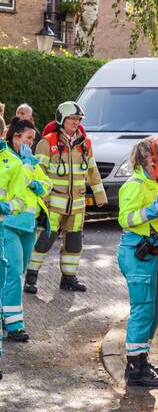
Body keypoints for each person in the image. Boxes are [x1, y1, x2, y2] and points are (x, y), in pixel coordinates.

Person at [26, 101, 107, 294]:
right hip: (53, 203)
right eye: (72, 119)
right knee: (43, 242)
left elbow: (93, 171)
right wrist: (43, 200)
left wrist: (100, 195)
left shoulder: (85, 144)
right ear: (62, 119)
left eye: (78, 119)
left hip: (77, 205)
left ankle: (68, 278)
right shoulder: (47, 142)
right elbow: (39, 173)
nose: (76, 122)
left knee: (74, 243)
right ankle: (31, 277)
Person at [116, 139, 158, 388]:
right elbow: (124, 218)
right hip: (137, 252)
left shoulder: (155, 183)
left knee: (154, 310)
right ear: (143, 161)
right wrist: (149, 212)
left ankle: (142, 359)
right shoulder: (135, 185)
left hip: (152, 252)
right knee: (142, 309)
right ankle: (134, 369)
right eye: (154, 162)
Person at [1, 119, 50, 343]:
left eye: (33, 138)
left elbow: (46, 183)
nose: (32, 142)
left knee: (16, 273)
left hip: (28, 225)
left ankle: (8, 317)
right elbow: (15, 185)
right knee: (13, 273)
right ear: (16, 136)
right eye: (29, 138)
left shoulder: (29, 160)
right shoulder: (6, 159)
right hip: (8, 224)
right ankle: (14, 326)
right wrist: (29, 171)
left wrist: (40, 185)